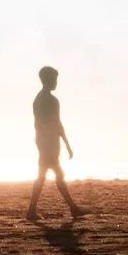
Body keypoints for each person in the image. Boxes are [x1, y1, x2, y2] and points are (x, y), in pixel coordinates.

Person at [26, 66, 86, 222]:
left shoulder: (37, 99)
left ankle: (32, 210)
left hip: (41, 140)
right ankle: (73, 208)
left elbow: (40, 123)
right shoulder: (52, 100)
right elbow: (57, 123)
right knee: (57, 175)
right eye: (54, 79)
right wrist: (67, 144)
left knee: (43, 174)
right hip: (50, 141)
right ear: (48, 80)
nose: (56, 82)